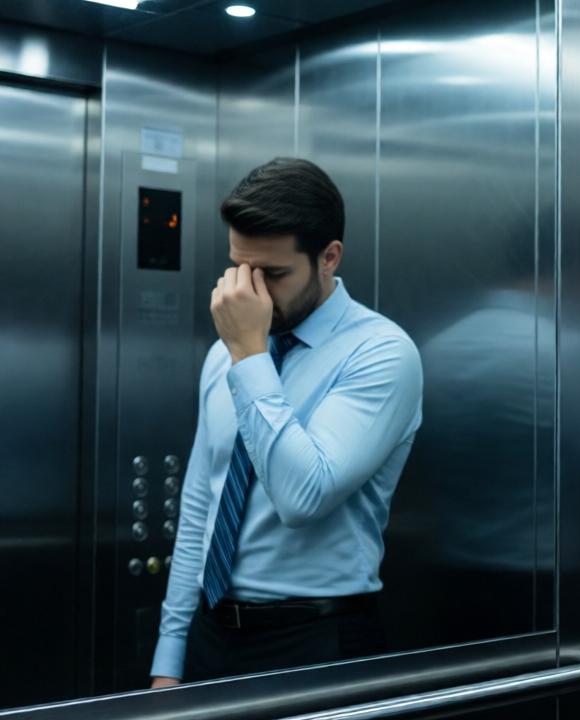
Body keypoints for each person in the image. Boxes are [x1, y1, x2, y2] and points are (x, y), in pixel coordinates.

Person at [150, 157, 424, 686]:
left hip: (317, 640)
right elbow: (201, 509)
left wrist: (250, 356)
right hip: (211, 636)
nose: (249, 292)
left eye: (272, 274)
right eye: (239, 268)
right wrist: (171, 655)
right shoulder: (225, 352)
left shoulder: (381, 352)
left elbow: (303, 496)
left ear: (329, 257)